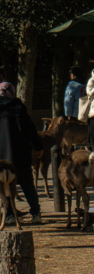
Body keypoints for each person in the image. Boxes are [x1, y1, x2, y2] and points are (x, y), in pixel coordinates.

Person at [0, 82, 42, 224]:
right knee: (27, 185)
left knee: (4, 185)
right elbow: (30, 128)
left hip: (2, 156)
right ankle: (36, 213)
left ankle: (10, 215)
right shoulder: (19, 107)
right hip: (21, 153)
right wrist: (38, 145)